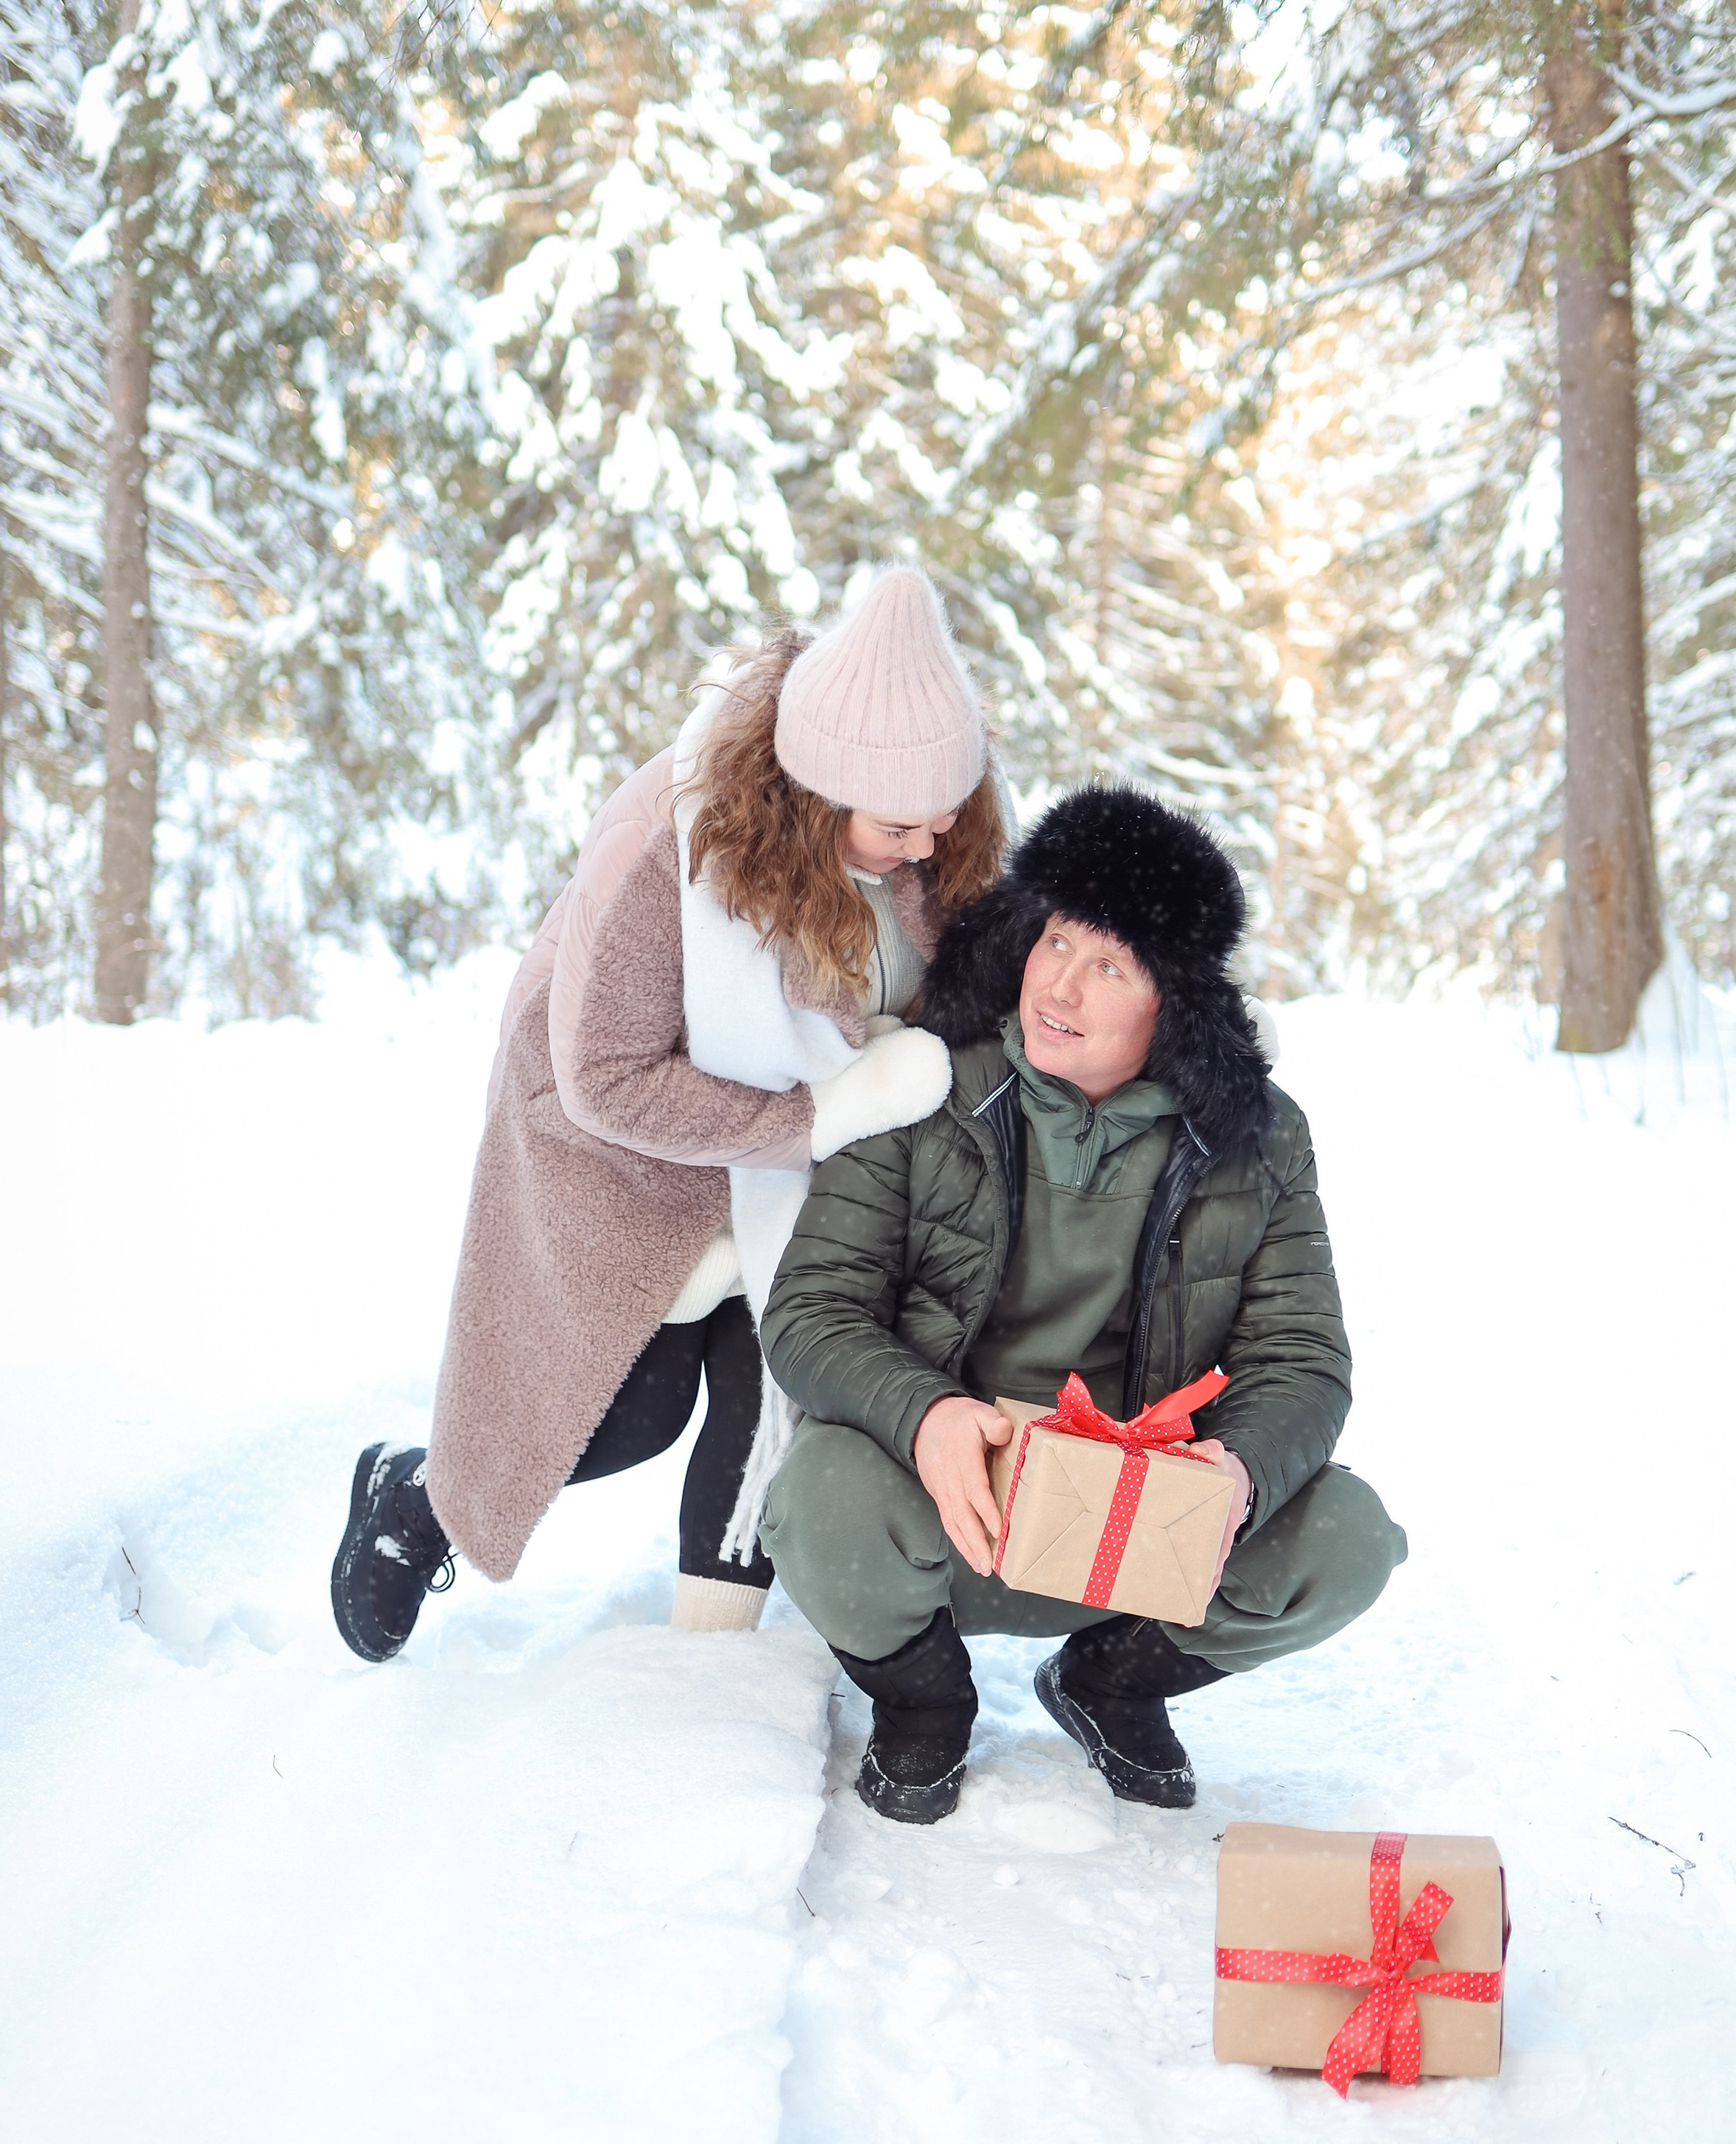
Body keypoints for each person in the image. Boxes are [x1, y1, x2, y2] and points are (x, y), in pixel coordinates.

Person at [329, 566, 1008, 1662]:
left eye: (943, 818)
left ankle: (711, 1677)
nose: (929, 846)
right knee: (628, 1414)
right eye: (901, 825)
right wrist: (822, 1113)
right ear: (823, 790)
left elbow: (966, 993)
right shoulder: (675, 843)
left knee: (766, 1401)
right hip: (622, 1150)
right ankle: (416, 1497)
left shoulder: (940, 830)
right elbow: (604, 1076)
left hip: (812, 1181)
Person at [758, 782, 1406, 1824]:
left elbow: (1303, 1360)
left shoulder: (1261, 1138)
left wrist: (1235, 1473)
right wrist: (923, 1417)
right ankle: (926, 1703)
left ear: (1173, 1003)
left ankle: (1113, 1681)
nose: (1062, 984)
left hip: (1141, 1527)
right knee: (820, 1497)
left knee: (1348, 1539)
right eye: (1057, 941)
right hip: (952, 1504)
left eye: (1111, 964)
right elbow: (810, 1311)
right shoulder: (920, 1085)